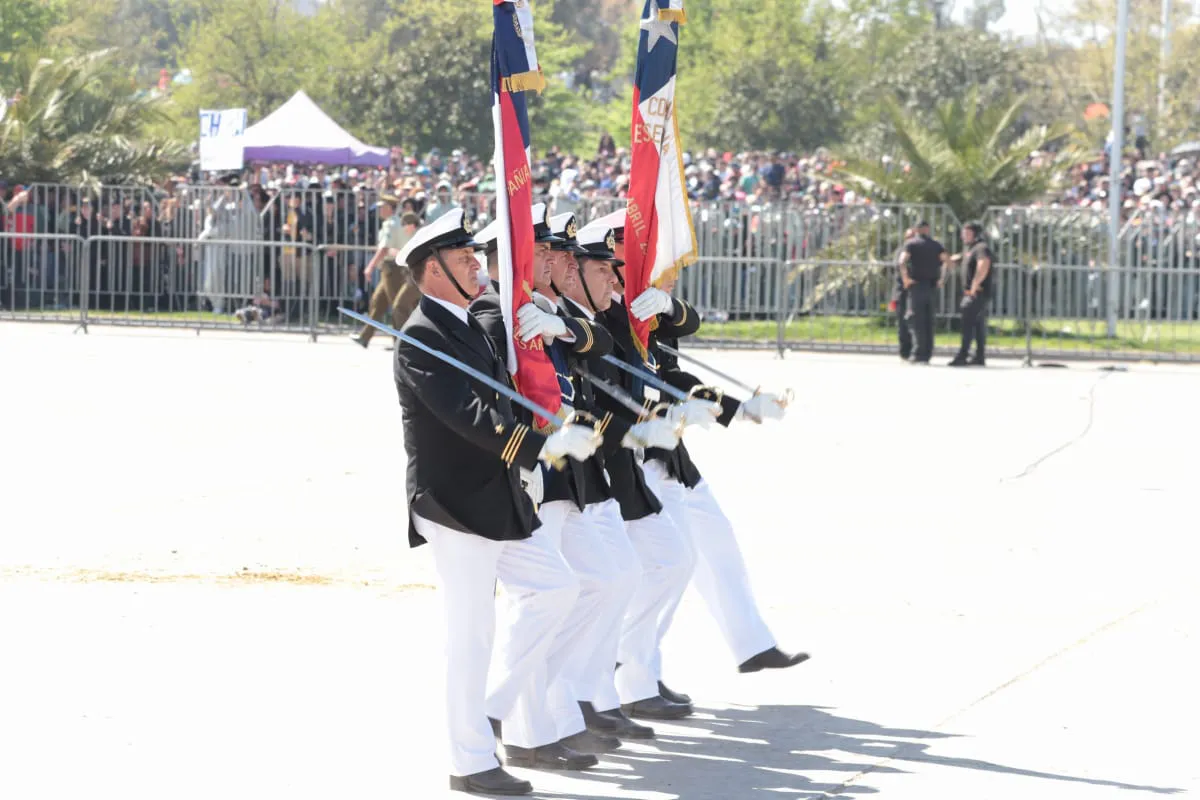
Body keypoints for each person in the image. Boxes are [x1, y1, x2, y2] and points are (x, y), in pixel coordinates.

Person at [391, 208, 602, 796]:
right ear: (432, 270)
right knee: (472, 633)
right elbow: (470, 418)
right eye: (464, 261)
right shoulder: (421, 337)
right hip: (455, 505)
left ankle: (491, 709)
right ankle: (470, 760)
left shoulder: (469, 327)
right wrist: (542, 441)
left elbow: (508, 395)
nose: (478, 269)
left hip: (498, 496)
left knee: (557, 589)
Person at [587, 208, 809, 679]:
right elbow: (645, 384)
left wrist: (736, 408)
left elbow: (680, 349)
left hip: (669, 452)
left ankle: (752, 643)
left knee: (716, 544)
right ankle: (632, 675)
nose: (654, 270)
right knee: (669, 564)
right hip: (635, 453)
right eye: (633, 256)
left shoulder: (642, 309)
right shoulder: (603, 318)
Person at [554, 216, 698, 722]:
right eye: (606, 269)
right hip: (585, 471)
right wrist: (640, 427)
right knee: (591, 584)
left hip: (618, 468)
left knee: (655, 567)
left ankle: (608, 681)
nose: (618, 280)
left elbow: (663, 356)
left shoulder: (613, 316)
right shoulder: (573, 322)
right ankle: (582, 690)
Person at [351, 197, 419, 348]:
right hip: (392, 268)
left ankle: (401, 343)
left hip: (393, 268)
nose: (380, 209)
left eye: (383, 206)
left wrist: (370, 266)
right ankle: (365, 336)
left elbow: (384, 248)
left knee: (398, 308)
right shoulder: (398, 223)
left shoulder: (391, 224)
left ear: (390, 208)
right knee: (377, 302)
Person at [897, 220, 948, 364]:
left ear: (916, 230)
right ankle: (927, 353)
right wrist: (942, 279)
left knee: (915, 319)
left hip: (916, 286)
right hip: (931, 286)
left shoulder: (911, 244)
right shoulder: (936, 245)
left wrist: (906, 279)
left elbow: (902, 261)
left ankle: (918, 353)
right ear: (928, 229)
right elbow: (947, 262)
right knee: (928, 320)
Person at [949, 222, 993, 367]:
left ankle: (963, 355)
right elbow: (968, 258)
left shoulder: (981, 248)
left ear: (976, 234)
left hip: (976, 293)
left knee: (967, 325)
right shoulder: (972, 249)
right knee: (978, 326)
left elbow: (984, 264)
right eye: (963, 233)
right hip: (975, 293)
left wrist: (974, 286)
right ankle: (979, 357)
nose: (963, 237)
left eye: (967, 234)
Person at [894, 228, 916, 361]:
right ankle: (905, 351)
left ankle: (914, 348)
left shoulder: (919, 251)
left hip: (916, 289)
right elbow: (899, 267)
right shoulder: (902, 251)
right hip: (902, 290)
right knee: (903, 322)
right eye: (909, 237)